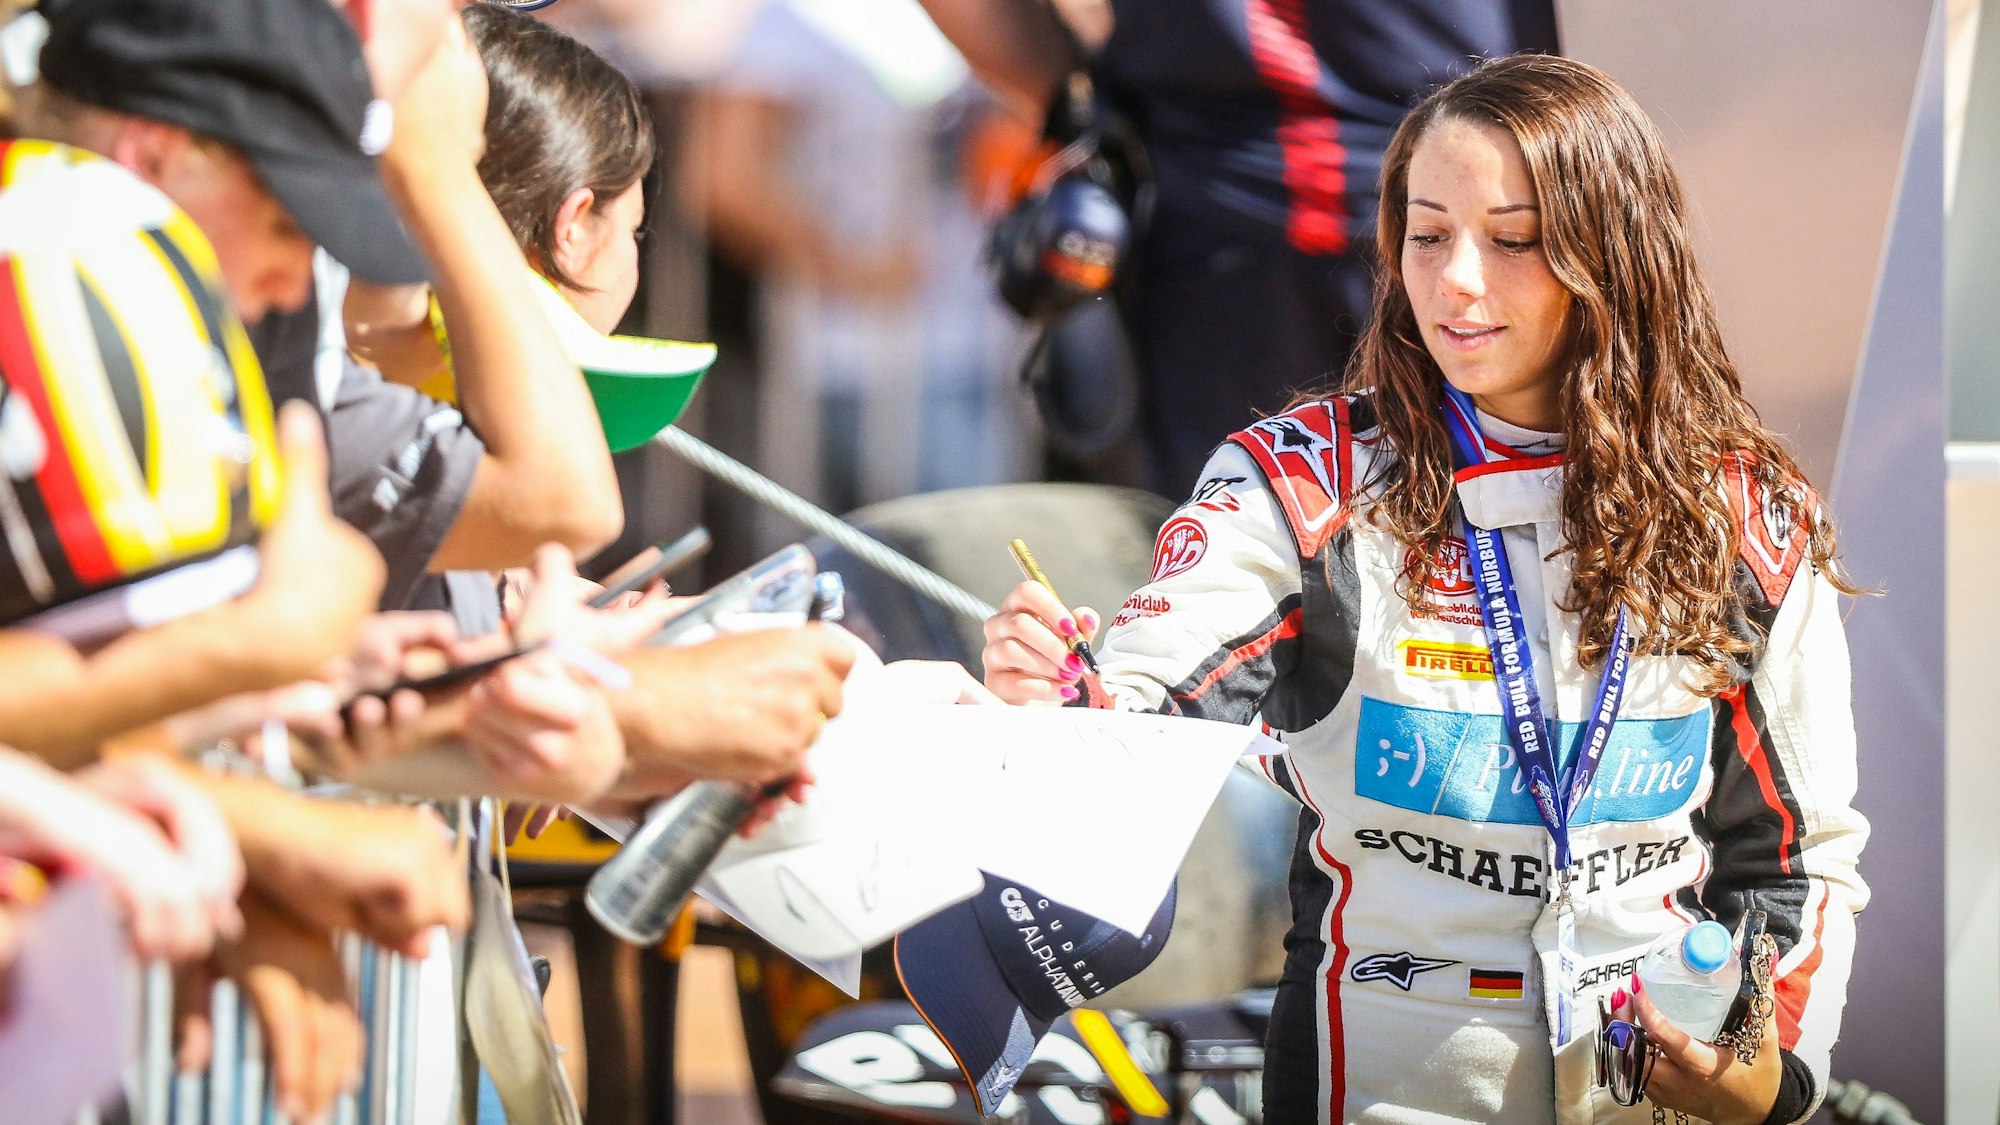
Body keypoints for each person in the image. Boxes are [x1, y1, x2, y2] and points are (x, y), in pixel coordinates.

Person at [980, 55, 1867, 1124]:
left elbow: (1796, 849)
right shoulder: (1298, 483)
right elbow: (1144, 704)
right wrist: (1064, 705)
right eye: (1427, 232)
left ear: (1616, 253)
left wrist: (1760, 1069)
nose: (1454, 281)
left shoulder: (1743, 515)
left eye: (1511, 238)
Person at [919, 0, 1558, 495]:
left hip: (1218, 232)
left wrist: (1075, 97)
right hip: (1479, 207)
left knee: (1240, 606)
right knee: (1514, 584)